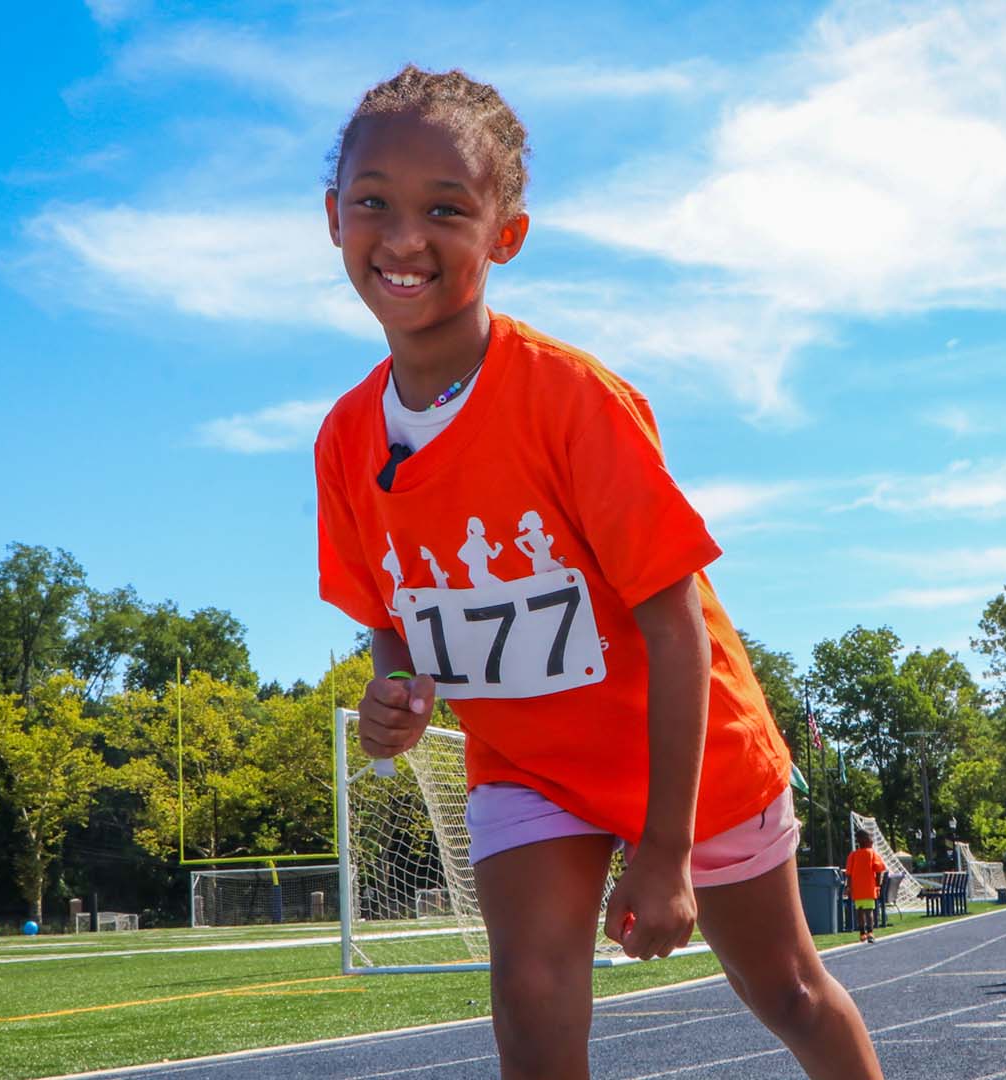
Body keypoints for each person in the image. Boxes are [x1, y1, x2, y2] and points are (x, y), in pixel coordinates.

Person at [314, 65, 882, 1080]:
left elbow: (675, 628)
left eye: (447, 209)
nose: (403, 238)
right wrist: (392, 687)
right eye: (374, 203)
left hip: (688, 751)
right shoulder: (345, 439)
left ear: (505, 235)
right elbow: (387, 611)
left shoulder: (572, 399)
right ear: (332, 217)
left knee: (787, 990)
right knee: (530, 1006)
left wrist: (663, 851)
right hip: (531, 764)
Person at [844, 833, 890, 944]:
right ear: (867, 841)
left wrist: (849, 887)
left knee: (859, 911)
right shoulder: (872, 853)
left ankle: (862, 933)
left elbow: (849, 874)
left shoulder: (853, 855)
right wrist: (877, 886)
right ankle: (870, 932)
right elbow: (879, 870)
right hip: (869, 887)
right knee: (869, 911)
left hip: (857, 888)